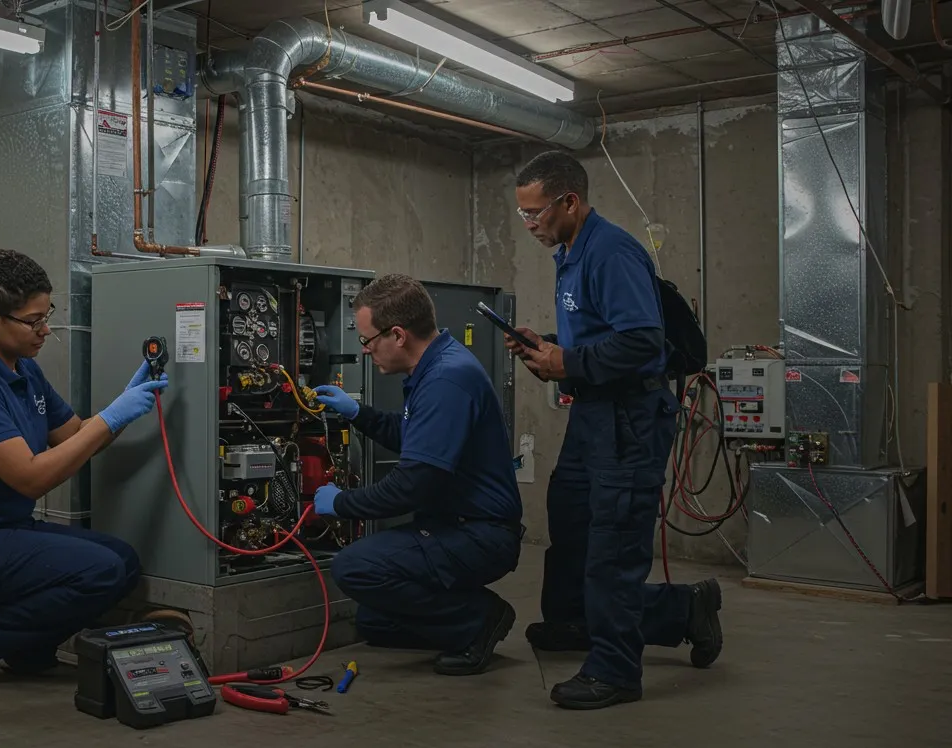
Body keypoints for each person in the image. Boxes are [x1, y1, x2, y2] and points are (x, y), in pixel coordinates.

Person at [507, 150, 723, 710]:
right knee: (573, 524)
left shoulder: (612, 251)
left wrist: (566, 364)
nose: (529, 224)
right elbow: (601, 330)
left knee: (612, 547)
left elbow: (642, 342)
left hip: (628, 420)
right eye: (523, 214)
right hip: (593, 415)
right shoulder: (571, 251)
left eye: (535, 213)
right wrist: (548, 343)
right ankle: (589, 621)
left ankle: (617, 669)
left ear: (569, 202)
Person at [0, 238, 168, 689]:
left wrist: (125, 406)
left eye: (47, 316)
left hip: (3, 531)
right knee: (99, 571)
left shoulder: (23, 369)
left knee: (120, 561)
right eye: (34, 321)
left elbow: (76, 437)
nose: (45, 329)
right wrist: (110, 419)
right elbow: (30, 477)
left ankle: (25, 647)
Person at [309, 274, 524, 677]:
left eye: (368, 341)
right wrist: (359, 414)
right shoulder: (437, 366)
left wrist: (340, 503)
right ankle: (462, 611)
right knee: (374, 623)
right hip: (456, 525)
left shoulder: (446, 380)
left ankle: (479, 620)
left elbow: (413, 484)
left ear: (398, 335)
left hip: (478, 534)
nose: (367, 351)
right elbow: (416, 438)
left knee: (354, 568)